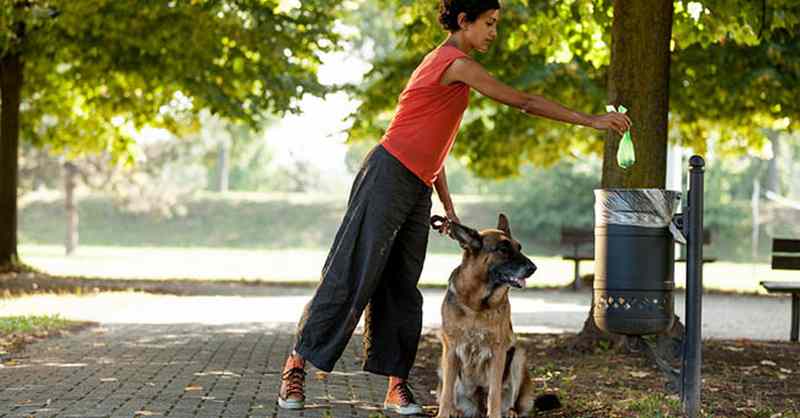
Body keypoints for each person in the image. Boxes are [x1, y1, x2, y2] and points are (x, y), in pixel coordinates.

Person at [278, 0, 632, 414]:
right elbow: (524, 101)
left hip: (417, 184)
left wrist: (446, 202)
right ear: (464, 21)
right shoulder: (454, 63)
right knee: (353, 271)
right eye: (489, 23)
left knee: (403, 284)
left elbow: (434, 144)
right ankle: (295, 367)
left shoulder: (455, 70)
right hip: (387, 173)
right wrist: (591, 121)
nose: (494, 32)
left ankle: (396, 385)